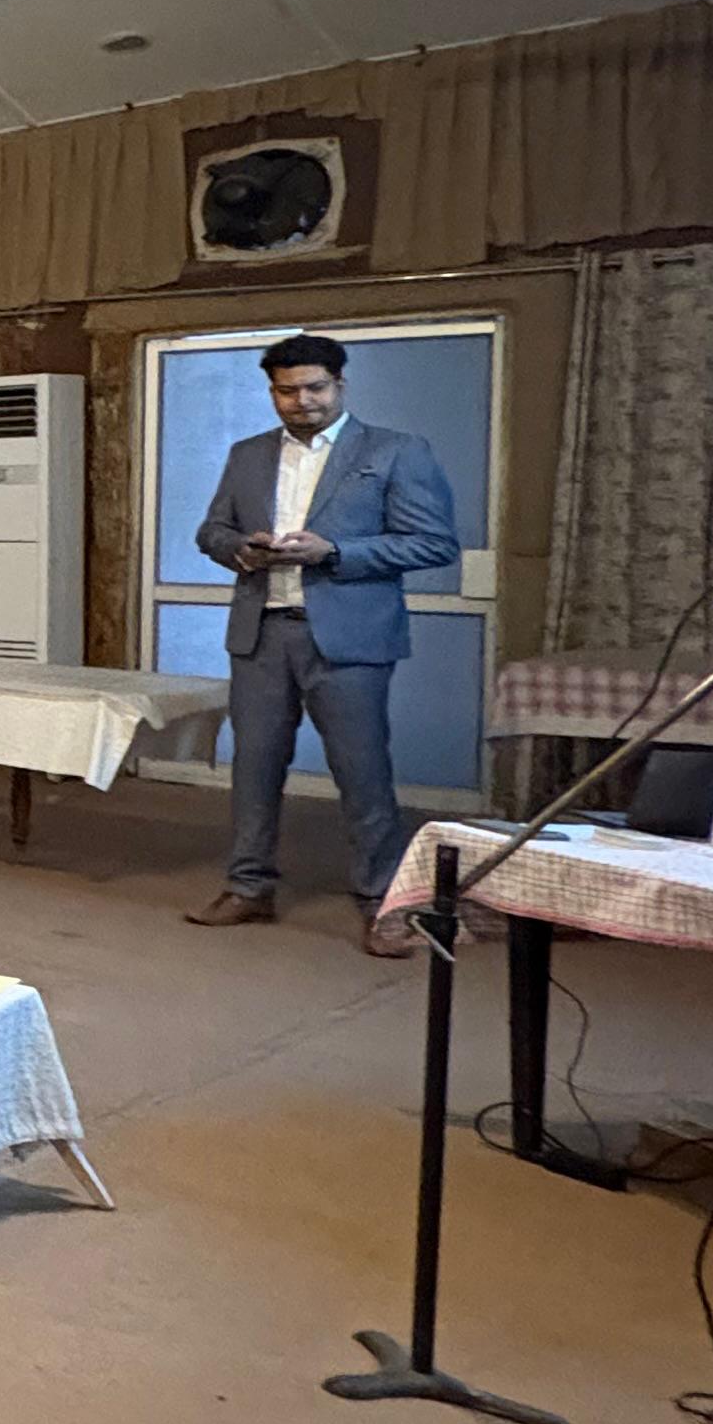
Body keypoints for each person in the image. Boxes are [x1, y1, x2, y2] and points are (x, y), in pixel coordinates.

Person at [187, 333, 459, 957]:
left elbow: (434, 543)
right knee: (254, 767)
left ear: (341, 385)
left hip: (350, 639)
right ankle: (249, 886)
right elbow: (211, 529)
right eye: (287, 391)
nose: (302, 401)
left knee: (362, 774)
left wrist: (335, 552)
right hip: (261, 633)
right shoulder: (248, 453)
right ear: (272, 392)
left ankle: (383, 902)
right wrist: (238, 549)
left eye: (315, 388)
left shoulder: (395, 451)